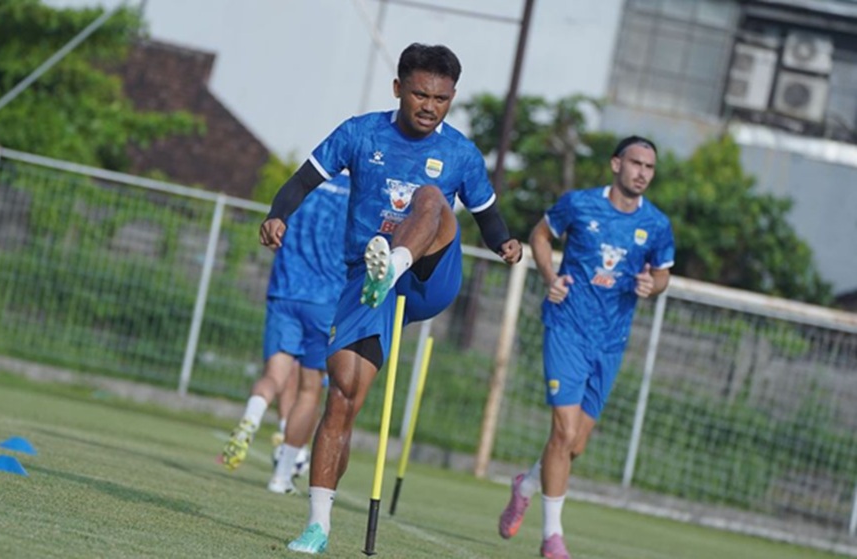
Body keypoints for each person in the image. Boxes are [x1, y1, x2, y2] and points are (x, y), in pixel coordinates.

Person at [260, 43, 523, 554]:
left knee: (430, 198)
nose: (430, 106)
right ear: (398, 88)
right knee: (343, 399)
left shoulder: (461, 153)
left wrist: (504, 242)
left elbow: (488, 214)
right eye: (421, 94)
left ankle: (396, 262)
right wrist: (278, 214)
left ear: (452, 99)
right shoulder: (360, 133)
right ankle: (317, 525)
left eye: (442, 98)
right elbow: (303, 179)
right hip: (367, 277)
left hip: (428, 275)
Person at [497, 135, 675, 559]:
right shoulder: (578, 204)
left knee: (574, 444)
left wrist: (654, 285)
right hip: (566, 328)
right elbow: (540, 236)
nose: (642, 174)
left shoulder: (657, 224)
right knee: (563, 430)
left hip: (611, 341)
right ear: (616, 164)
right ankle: (552, 538)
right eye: (635, 164)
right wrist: (549, 277)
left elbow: (664, 272)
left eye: (649, 167)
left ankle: (525, 485)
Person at [220, 173, 350, 495]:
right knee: (309, 390)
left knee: (274, 376)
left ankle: (252, 417)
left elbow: (274, 232)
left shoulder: (301, 185)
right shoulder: (358, 193)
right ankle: (280, 476)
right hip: (326, 300)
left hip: (285, 292)